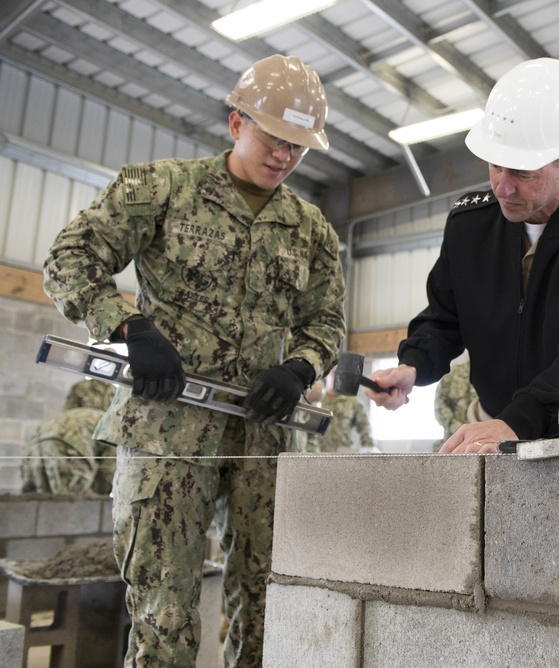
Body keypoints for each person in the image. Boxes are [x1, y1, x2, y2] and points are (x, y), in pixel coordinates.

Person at [42, 54, 345, 666]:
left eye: (299, 147)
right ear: (237, 124)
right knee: (165, 618)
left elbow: (327, 321)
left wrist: (301, 368)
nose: (285, 156)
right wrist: (127, 326)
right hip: (166, 434)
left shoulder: (310, 229)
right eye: (273, 138)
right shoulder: (161, 188)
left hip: (261, 440)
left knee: (267, 611)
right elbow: (69, 257)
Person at [367, 58, 559, 454]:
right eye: (495, 166)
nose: (503, 188)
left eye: (522, 173)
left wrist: (517, 422)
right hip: (497, 431)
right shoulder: (469, 226)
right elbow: (444, 318)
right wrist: (413, 365)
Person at [21, 378, 115, 495]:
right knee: (77, 502)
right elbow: (108, 472)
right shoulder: (118, 431)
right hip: (72, 438)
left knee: (41, 500)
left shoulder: (104, 410)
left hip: (39, 437)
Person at [303, 373, 375, 453]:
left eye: (338, 375)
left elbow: (365, 428)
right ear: (327, 377)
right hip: (320, 454)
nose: (335, 378)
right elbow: (308, 429)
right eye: (332, 375)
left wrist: (368, 449)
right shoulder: (317, 399)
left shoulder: (352, 402)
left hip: (344, 455)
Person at [432, 359, 478, 451]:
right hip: (453, 441)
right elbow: (440, 407)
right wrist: (457, 427)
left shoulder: (491, 377)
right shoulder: (451, 375)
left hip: (483, 442)